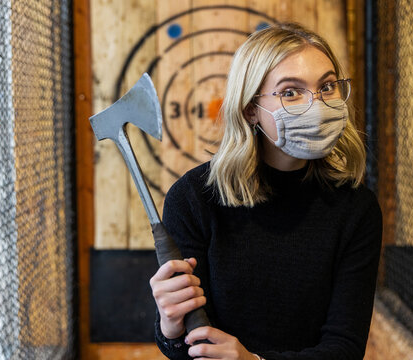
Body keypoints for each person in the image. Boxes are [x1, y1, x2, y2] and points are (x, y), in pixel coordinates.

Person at [150, 23, 382, 360]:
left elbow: (344, 349)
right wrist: (170, 325)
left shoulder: (356, 208)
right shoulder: (193, 199)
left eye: (328, 86)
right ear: (250, 109)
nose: (316, 105)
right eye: (291, 92)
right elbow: (189, 347)